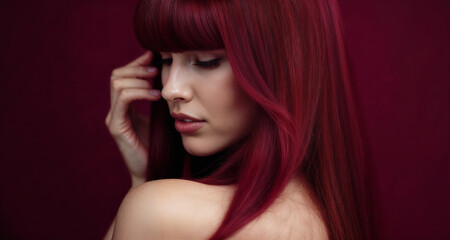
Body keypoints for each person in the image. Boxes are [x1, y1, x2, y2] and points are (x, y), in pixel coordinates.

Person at [105, 0, 372, 239]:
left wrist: (144, 191)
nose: (170, 89)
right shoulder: (321, 212)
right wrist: (144, 175)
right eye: (165, 60)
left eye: (205, 61)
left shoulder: (159, 211)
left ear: (281, 67)